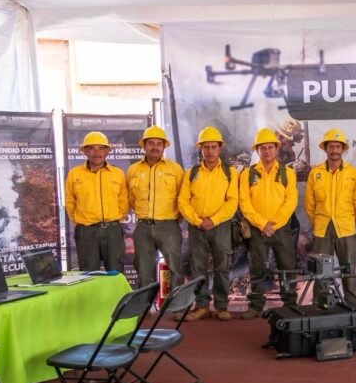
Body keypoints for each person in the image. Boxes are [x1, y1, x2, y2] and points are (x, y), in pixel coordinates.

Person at [178, 126, 239, 322]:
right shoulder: (191, 173)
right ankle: (202, 306)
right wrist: (198, 221)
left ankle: (221, 306)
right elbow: (183, 201)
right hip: (197, 226)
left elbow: (232, 201)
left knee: (223, 267)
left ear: (220, 148)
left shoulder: (230, 172)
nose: (210, 151)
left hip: (221, 226)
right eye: (206, 147)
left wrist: (213, 220)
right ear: (201, 149)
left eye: (214, 147)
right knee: (198, 268)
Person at [238, 128, 299, 319]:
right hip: (257, 229)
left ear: (276, 148)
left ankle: (290, 305)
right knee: (257, 268)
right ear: (257, 150)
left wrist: (274, 223)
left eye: (270, 147)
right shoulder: (247, 174)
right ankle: (256, 306)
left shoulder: (288, 173)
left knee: (287, 267)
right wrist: (262, 223)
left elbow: (291, 200)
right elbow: (244, 202)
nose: (266, 151)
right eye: (262, 148)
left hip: (281, 228)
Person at [305, 129, 356, 309]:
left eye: (338, 146)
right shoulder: (315, 173)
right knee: (321, 270)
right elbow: (309, 204)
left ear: (343, 149)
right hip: (322, 229)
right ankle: (319, 305)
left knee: (349, 269)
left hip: (346, 228)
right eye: (331, 146)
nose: (335, 150)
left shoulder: (353, 173)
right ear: (325, 149)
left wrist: (350, 223)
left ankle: (352, 305)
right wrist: (317, 223)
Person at [126, 125, 185, 291]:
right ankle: (146, 304)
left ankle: (177, 303)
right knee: (143, 269)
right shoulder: (133, 170)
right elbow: (131, 198)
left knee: (175, 268)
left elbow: (183, 197)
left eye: (159, 143)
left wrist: (174, 220)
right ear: (144, 146)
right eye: (151, 143)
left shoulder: (175, 169)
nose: (155, 147)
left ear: (164, 146)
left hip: (169, 226)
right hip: (143, 227)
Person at [64, 131, 128, 272]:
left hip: (112, 231)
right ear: (85, 151)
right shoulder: (74, 174)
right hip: (86, 231)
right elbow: (70, 201)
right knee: (89, 273)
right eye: (92, 148)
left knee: (115, 272)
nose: (96, 153)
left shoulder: (118, 174)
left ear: (107, 151)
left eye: (101, 149)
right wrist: (81, 221)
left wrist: (116, 220)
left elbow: (123, 200)